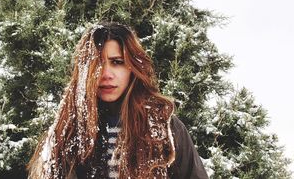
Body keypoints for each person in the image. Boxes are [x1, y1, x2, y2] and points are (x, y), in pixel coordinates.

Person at [27, 22, 208, 179]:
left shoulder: (163, 127)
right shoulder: (67, 131)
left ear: (133, 67)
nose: (106, 74)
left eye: (117, 62)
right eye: (97, 63)